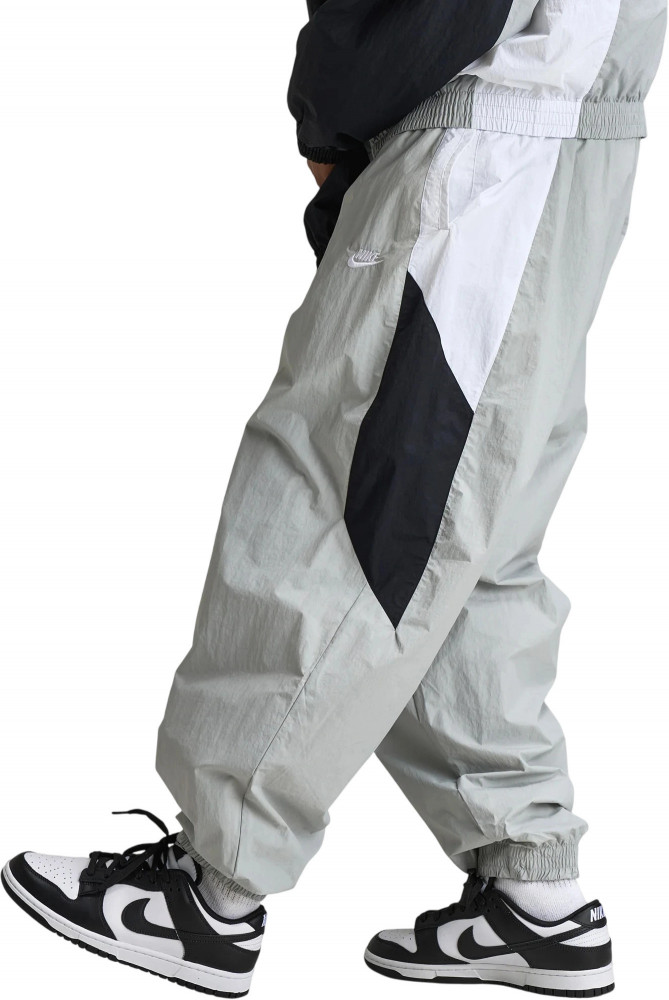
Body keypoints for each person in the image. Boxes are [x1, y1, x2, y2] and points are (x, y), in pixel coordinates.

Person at [2, 2, 666, 997]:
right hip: (573, 130)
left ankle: (209, 894)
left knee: (349, 506)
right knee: (465, 537)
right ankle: (534, 893)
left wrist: (333, 110)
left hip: (484, 126)